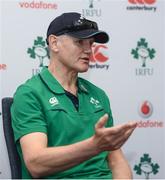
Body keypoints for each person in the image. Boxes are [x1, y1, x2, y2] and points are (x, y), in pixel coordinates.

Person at [11, 12, 137, 179]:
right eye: (79, 42)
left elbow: (116, 161)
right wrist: (94, 146)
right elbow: (36, 163)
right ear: (54, 43)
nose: (88, 50)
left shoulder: (98, 95)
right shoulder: (29, 94)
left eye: (91, 44)